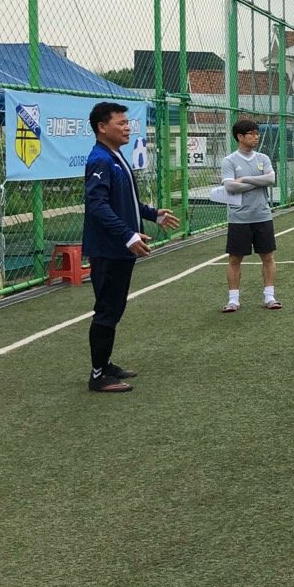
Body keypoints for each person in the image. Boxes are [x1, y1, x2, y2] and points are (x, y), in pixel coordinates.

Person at [82, 101, 180, 393]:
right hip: (108, 249)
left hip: (119, 249)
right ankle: (98, 376)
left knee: (115, 307)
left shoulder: (114, 156)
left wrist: (153, 215)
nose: (127, 128)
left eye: (127, 123)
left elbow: (126, 201)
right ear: (102, 127)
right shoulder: (100, 159)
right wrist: (127, 235)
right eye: (121, 123)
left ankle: (105, 364)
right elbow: (97, 204)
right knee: (107, 309)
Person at [220, 119, 280, 312]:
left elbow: (271, 178)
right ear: (240, 136)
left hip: (262, 216)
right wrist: (258, 182)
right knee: (235, 259)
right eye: (251, 134)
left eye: (257, 133)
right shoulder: (229, 160)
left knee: (268, 257)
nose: (256, 137)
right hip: (239, 219)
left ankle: (270, 297)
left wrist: (245, 179)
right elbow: (230, 186)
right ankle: (233, 300)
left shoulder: (263, 158)